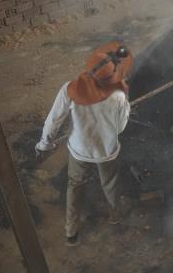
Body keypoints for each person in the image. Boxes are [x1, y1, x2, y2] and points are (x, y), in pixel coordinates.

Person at [35, 41, 133, 246]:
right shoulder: (119, 95)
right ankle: (115, 215)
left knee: (75, 185)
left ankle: (71, 232)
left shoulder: (70, 89)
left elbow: (53, 121)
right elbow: (120, 128)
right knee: (110, 183)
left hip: (79, 151)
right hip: (107, 152)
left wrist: (44, 145)